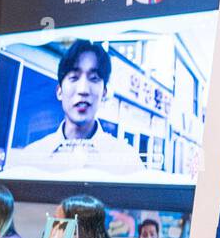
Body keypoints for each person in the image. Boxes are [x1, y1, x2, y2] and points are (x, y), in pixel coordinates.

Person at [8, 40, 144, 177]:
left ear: (104, 92)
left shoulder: (127, 162)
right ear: (59, 91)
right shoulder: (31, 158)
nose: (83, 89)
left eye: (94, 78)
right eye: (74, 78)